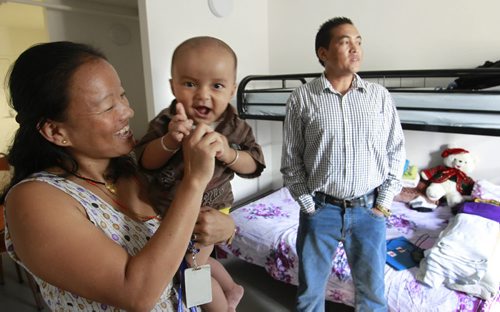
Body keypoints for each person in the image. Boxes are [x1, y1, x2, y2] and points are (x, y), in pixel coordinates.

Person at [1, 41, 236, 311]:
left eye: (122, 96)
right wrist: (194, 182)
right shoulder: (34, 200)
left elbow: (178, 244)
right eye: (107, 106)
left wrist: (225, 229)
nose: (127, 112)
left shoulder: (131, 171)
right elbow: (136, 293)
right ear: (56, 131)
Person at [281, 17, 406, 312]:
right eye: (345, 41)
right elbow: (291, 161)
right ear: (323, 53)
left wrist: (383, 205)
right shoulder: (302, 99)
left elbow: (396, 152)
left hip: (368, 211)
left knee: (373, 297)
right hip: (320, 210)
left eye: (359, 41)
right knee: (309, 296)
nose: (356, 48)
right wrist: (308, 206)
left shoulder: (379, 97)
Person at [135, 36, 266, 312]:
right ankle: (231, 289)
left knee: (190, 270)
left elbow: (254, 164)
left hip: (212, 209)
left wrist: (229, 154)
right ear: (173, 85)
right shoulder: (165, 122)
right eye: (190, 84)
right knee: (194, 261)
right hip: (168, 209)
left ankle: (221, 308)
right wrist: (169, 141)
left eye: (216, 85)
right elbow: (144, 160)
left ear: (231, 89)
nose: (203, 95)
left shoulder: (235, 127)